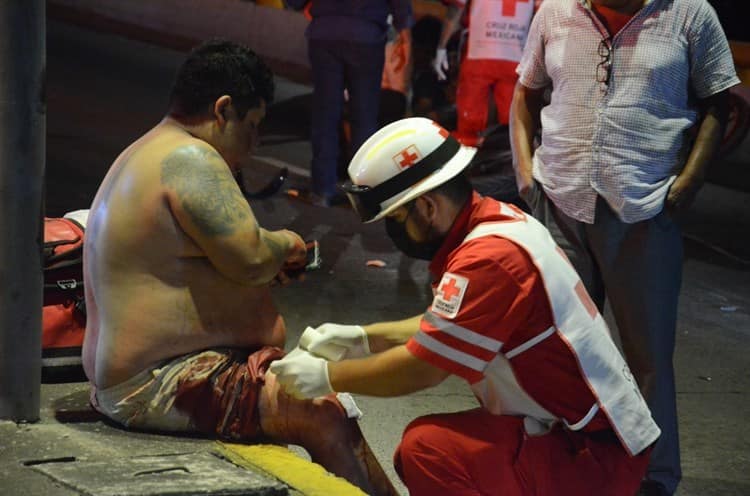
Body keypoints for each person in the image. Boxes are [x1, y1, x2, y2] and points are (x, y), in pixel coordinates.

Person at [269, 117, 661, 495]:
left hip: (591, 454)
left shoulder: (490, 259)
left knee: (428, 451)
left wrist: (329, 376)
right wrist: (362, 338)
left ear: (426, 207)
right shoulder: (496, 224)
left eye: (396, 218)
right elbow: (449, 324)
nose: (393, 232)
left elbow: (423, 369)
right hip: (584, 432)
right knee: (428, 451)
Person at [81, 39, 396, 496]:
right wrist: (285, 243)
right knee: (322, 409)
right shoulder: (190, 157)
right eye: (252, 125)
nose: (256, 142)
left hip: (144, 376)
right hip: (154, 382)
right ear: (223, 110)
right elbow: (250, 257)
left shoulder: (150, 150)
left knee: (315, 394)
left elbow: (216, 262)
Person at [509, 1, 740, 494]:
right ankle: (566, 467)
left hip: (643, 206)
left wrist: (690, 181)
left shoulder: (690, 14)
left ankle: (653, 477)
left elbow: (723, 103)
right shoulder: (554, 11)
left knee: (647, 356)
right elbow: (525, 94)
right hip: (560, 202)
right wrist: (526, 177)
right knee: (561, 350)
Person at [285, 0, 413, 206]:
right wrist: (405, 32)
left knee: (325, 114)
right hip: (366, 35)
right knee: (364, 117)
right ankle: (362, 195)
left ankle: (322, 190)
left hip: (325, 33)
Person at [432, 0, 541, 147]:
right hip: (515, 57)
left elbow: (455, 10)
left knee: (469, 125)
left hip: (479, 54)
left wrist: (441, 47)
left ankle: (470, 160)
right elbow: (543, 17)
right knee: (513, 125)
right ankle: (509, 163)